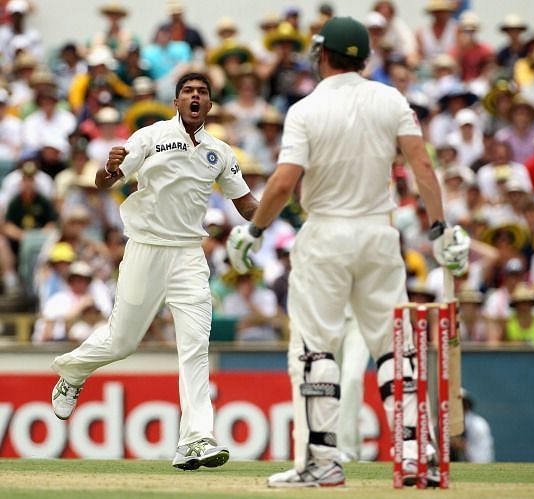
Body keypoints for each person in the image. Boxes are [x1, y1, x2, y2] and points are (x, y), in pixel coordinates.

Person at [226, 17, 470, 488]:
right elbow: (421, 164)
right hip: (380, 236)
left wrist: (253, 232)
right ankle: (415, 451)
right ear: (363, 58)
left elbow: (282, 183)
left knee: (316, 347)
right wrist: (440, 229)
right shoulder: (391, 99)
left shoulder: (306, 109)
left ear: (323, 55)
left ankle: (321, 461)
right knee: (392, 346)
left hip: (326, 237)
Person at [50, 72, 260, 471]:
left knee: (195, 347)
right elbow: (104, 181)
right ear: (176, 101)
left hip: (188, 256)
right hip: (145, 249)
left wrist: (273, 217)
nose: (195, 97)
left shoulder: (220, 152)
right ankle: (72, 373)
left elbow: (247, 204)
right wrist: (108, 170)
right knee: (122, 341)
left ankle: (195, 440)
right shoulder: (150, 136)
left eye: (202, 93)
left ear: (210, 105)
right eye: (188, 92)